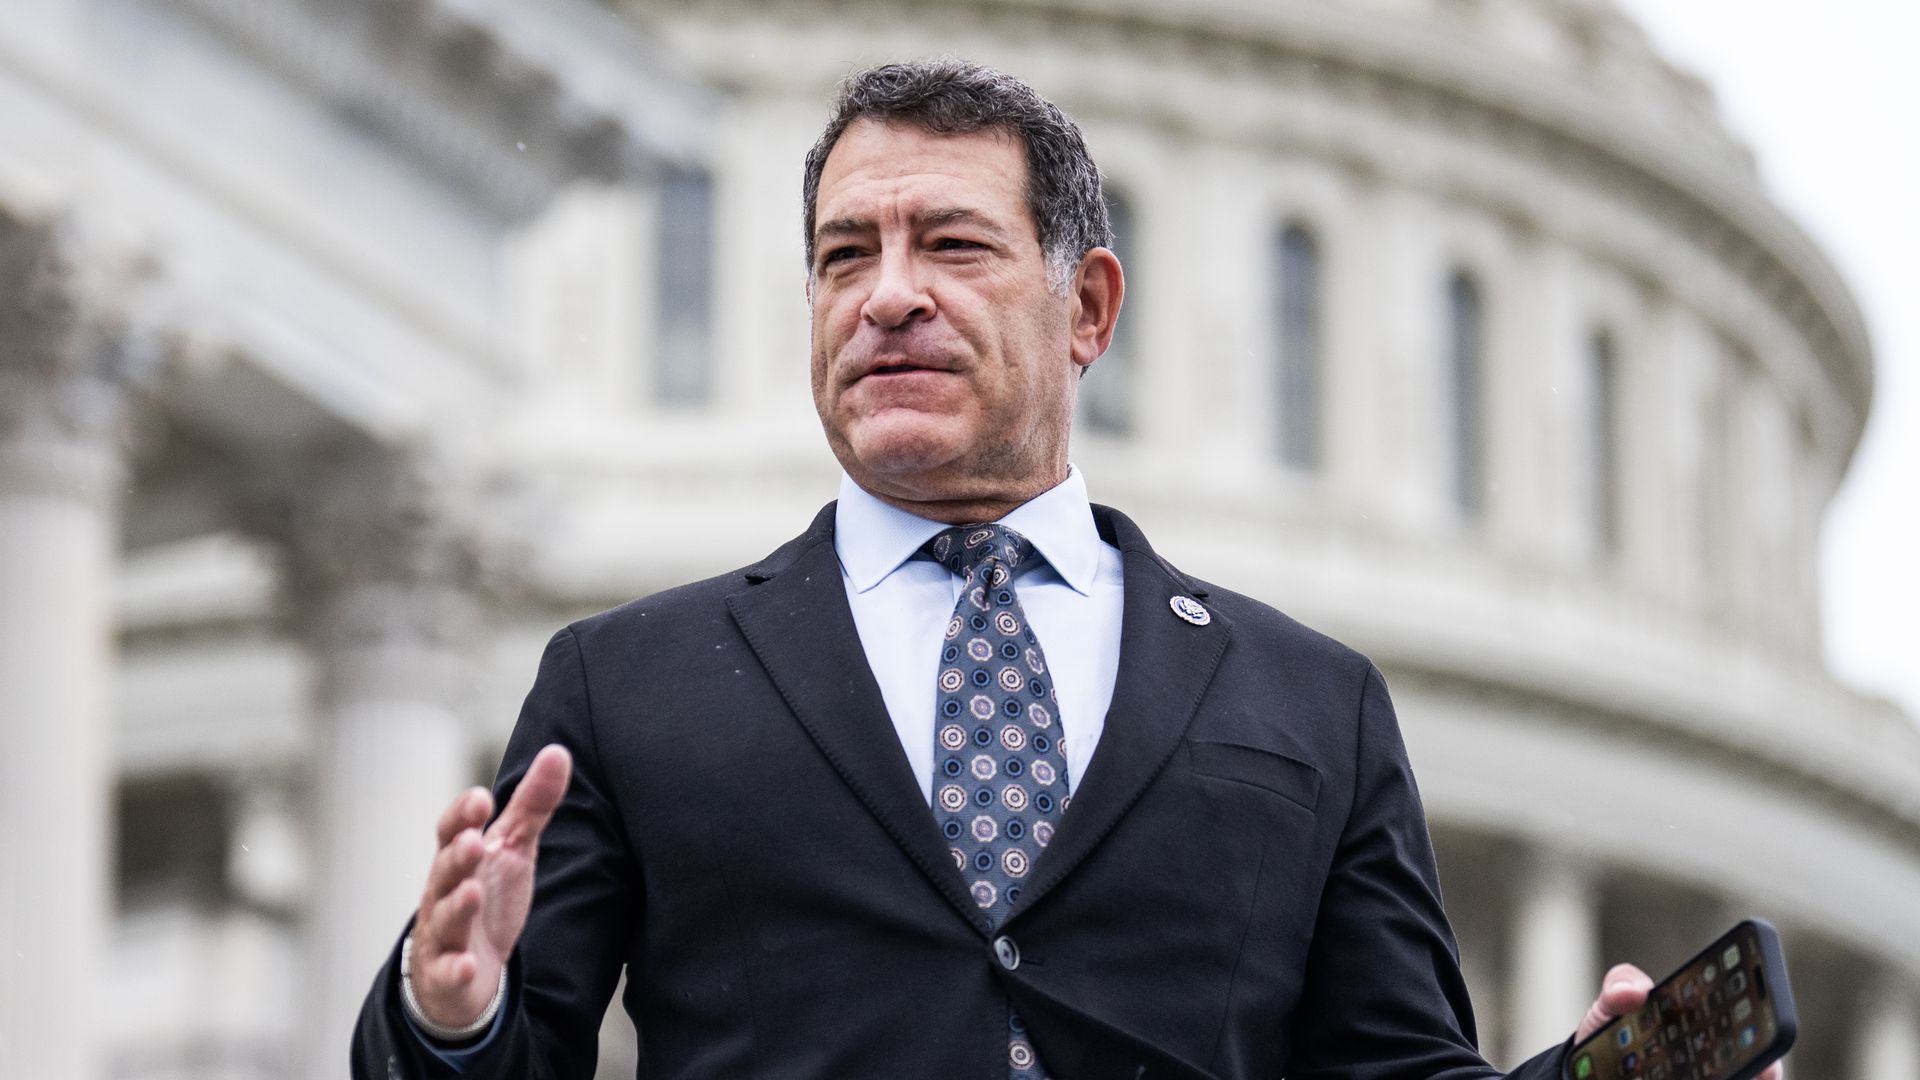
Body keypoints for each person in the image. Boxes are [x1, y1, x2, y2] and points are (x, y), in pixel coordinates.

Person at [351, 59, 1783, 1080]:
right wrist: (451, 1015)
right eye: (844, 256)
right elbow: (497, 1059)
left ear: (1087, 305)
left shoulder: (1307, 705)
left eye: (952, 245)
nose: (888, 294)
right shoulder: (628, 683)